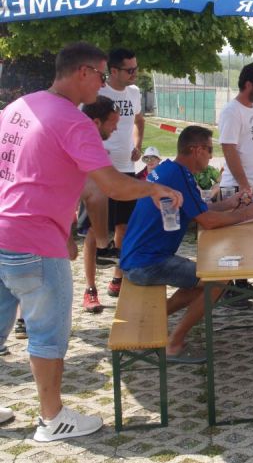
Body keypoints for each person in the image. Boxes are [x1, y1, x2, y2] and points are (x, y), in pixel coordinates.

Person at [0, 42, 181, 442]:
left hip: (4, 233)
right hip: (35, 242)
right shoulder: (73, 120)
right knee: (47, 336)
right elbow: (110, 186)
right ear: (82, 72)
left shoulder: (18, 107)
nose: (103, 85)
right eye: (101, 75)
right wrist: (155, 189)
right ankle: (52, 419)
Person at [120, 126, 253, 361]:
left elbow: (201, 210)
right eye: (209, 150)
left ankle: (150, 321)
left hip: (137, 257)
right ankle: (174, 344)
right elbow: (207, 221)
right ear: (196, 150)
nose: (211, 155)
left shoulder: (171, 170)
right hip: (147, 263)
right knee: (218, 280)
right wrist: (246, 214)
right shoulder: (179, 176)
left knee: (199, 279)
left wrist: (231, 204)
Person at [218, 62, 253, 301]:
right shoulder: (232, 111)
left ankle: (241, 283)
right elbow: (229, 148)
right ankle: (228, 288)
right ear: (248, 84)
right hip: (238, 186)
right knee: (235, 238)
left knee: (250, 236)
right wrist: (243, 185)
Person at [99, 47, 145, 299]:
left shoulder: (134, 92)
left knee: (124, 227)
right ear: (113, 71)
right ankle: (90, 288)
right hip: (101, 171)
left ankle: (117, 278)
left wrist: (137, 145)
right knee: (95, 232)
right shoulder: (98, 92)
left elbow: (139, 121)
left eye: (136, 68)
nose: (134, 74)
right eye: (130, 70)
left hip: (127, 169)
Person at [79, 96, 122, 313]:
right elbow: (96, 195)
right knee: (92, 232)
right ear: (96, 122)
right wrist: (153, 189)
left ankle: (115, 271)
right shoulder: (84, 145)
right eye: (113, 122)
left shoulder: (91, 142)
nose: (116, 128)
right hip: (32, 226)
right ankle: (90, 289)